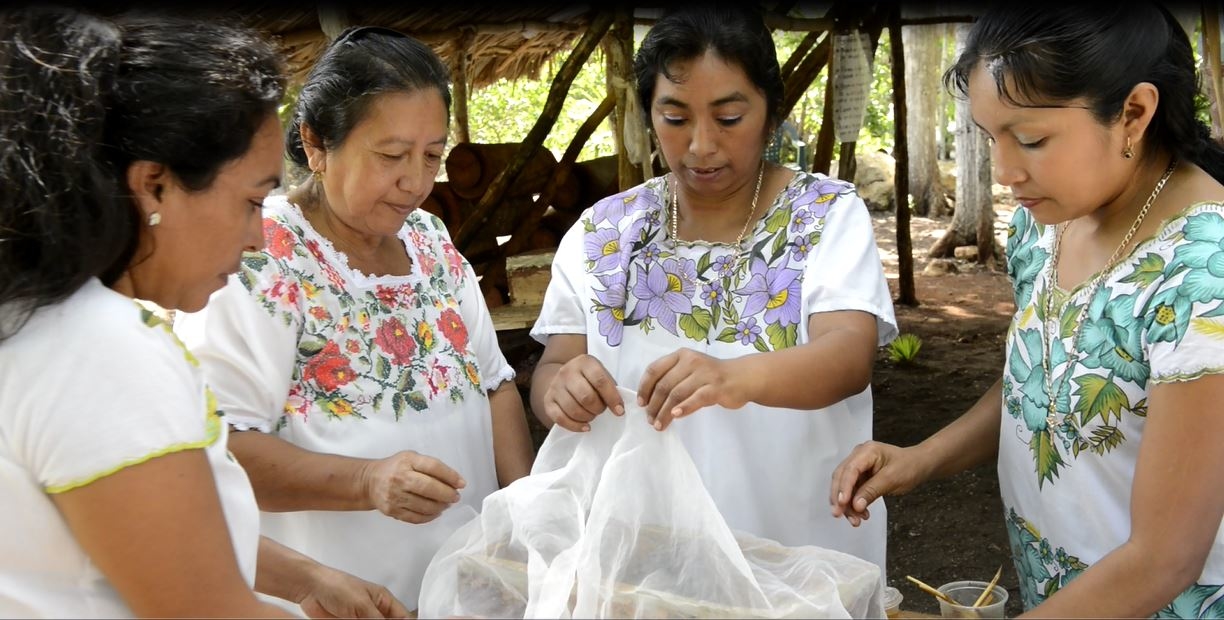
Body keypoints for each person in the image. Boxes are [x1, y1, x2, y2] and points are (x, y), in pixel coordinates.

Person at [0, 7, 408, 618]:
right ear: (154, 185)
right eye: (250, 201)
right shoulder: (104, 353)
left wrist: (299, 577)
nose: (259, 239)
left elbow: (127, 523)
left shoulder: (33, 320)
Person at [830, 3, 1224, 616]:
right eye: (992, 138)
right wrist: (919, 458)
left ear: (1134, 113)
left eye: (1033, 140)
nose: (1007, 171)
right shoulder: (1046, 228)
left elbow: (1165, 557)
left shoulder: (1204, 273)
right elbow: (1034, 381)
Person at [173, 25, 536, 610]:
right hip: (337, 599)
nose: (415, 182)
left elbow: (493, 386)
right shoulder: (258, 256)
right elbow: (215, 451)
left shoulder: (430, 241)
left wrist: (525, 515)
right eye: (391, 155)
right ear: (316, 145)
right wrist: (367, 481)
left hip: (466, 590)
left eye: (432, 156)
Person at [528, 4, 898, 572]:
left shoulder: (824, 216)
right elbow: (555, 367)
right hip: (636, 549)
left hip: (784, 545)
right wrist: (560, 390)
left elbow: (848, 355)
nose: (700, 146)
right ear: (648, 113)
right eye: (675, 118)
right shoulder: (605, 231)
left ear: (772, 115)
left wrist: (732, 376)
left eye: (728, 119)